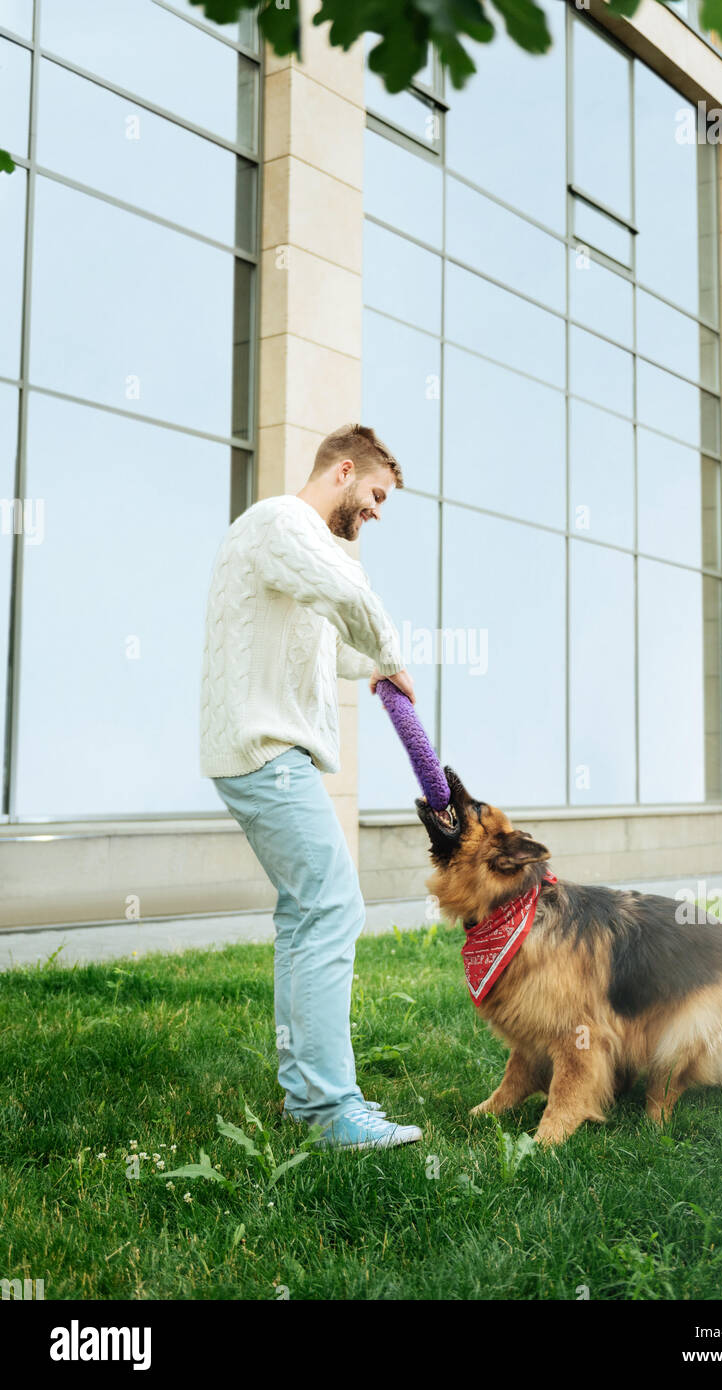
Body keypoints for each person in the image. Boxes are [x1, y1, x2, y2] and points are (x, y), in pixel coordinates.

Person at [200, 423, 422, 1151]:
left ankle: (308, 1098)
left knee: (307, 915)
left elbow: (326, 636)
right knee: (333, 905)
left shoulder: (287, 544)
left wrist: (374, 670)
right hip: (267, 753)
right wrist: (393, 653)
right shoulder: (282, 522)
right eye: (377, 495)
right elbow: (344, 595)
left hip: (264, 753)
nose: (379, 512)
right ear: (346, 470)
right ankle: (330, 1110)